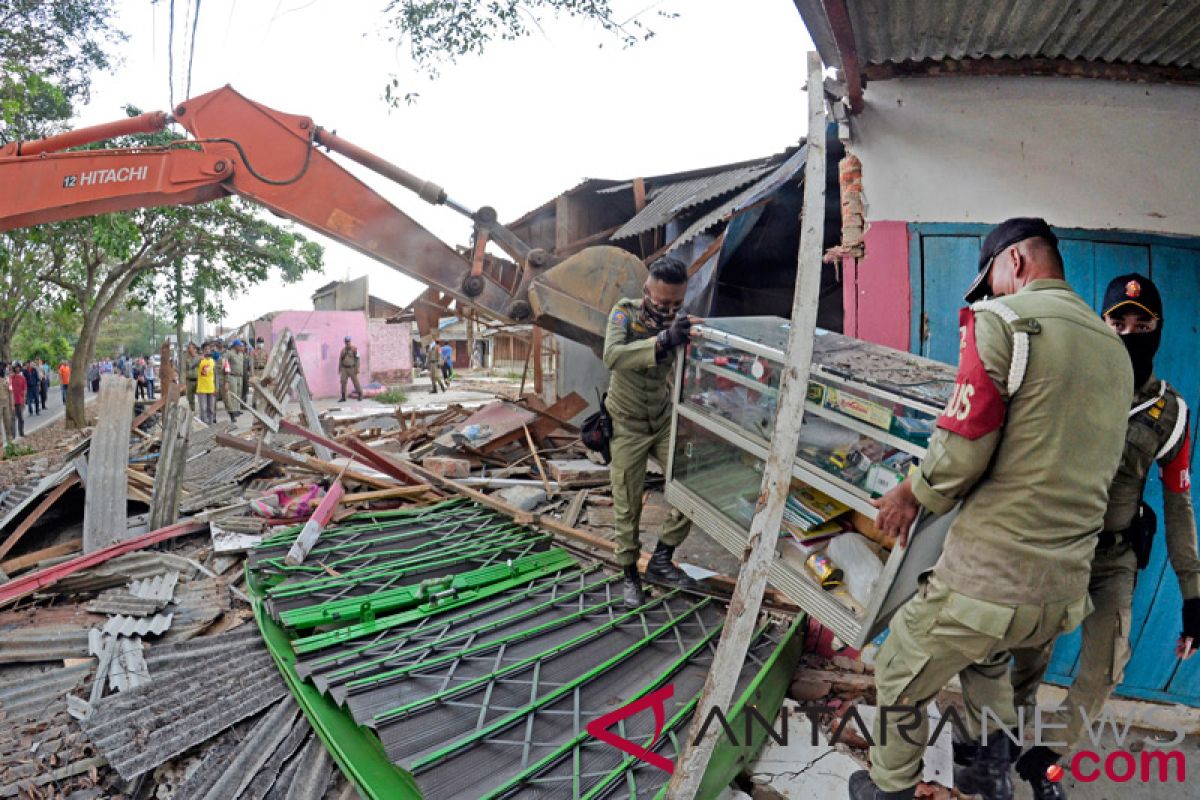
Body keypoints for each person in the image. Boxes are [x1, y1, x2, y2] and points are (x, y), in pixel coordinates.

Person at [850, 218, 1134, 800]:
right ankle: (987, 776)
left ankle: (888, 789)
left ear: (1016, 265)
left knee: (899, 669)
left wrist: (911, 494)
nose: (993, 295)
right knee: (988, 661)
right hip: (1059, 591)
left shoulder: (1003, 322)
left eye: (994, 282)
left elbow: (962, 450)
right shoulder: (1114, 349)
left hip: (988, 578)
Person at [996, 274, 1199, 800]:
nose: (1129, 332)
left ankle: (1048, 762)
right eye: (1119, 321)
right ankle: (1001, 748)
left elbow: (1179, 505)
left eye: (1142, 323)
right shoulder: (1066, 384)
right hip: (1055, 550)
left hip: (1115, 560)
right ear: (1102, 324)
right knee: (1027, 657)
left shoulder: (1171, 414)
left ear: (1157, 329)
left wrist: (1194, 596)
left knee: (1104, 669)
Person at [603, 255, 703, 608]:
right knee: (627, 504)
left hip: (660, 421)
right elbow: (612, 355)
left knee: (692, 485)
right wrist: (661, 341)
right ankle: (629, 573)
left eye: (676, 303)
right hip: (626, 424)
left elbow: (691, 366)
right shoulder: (624, 314)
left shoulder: (680, 322)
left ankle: (662, 558)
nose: (669, 310)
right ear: (646, 291)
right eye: (662, 303)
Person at [338, 335, 362, 402]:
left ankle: (360, 395)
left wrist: (357, 368)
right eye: (346, 341)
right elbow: (340, 359)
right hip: (344, 368)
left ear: (350, 341)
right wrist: (339, 368)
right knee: (343, 382)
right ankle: (343, 397)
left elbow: (358, 359)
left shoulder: (354, 349)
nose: (347, 343)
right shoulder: (343, 350)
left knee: (355, 382)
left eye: (348, 341)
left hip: (352, 368)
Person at [226, 340, 245, 419]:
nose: (241, 347)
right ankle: (233, 410)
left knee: (239, 393)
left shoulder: (241, 354)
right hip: (232, 376)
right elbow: (225, 363)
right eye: (240, 346)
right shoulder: (229, 353)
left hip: (239, 376)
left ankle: (237, 409)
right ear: (235, 346)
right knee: (234, 393)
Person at [196, 349, 216, 424]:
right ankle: (203, 424)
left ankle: (210, 424)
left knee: (211, 408)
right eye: (206, 352)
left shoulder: (212, 361)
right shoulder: (200, 360)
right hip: (202, 388)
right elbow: (192, 366)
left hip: (211, 387)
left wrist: (216, 387)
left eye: (209, 353)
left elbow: (215, 374)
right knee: (203, 408)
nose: (208, 354)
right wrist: (199, 360)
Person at [9, 362, 26, 438]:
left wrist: (24, 401)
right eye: (15, 368)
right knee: (13, 419)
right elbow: (9, 389)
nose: (17, 369)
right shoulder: (11, 378)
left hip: (20, 400)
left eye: (18, 367)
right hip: (12, 401)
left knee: (21, 418)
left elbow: (25, 389)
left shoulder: (22, 378)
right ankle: (13, 435)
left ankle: (21, 433)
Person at [184, 343, 201, 411]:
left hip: (198, 380)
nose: (188, 349)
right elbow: (183, 369)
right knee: (190, 397)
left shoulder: (199, 358)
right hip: (189, 380)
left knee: (201, 396)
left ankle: (201, 411)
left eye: (190, 348)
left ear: (194, 349)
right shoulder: (185, 357)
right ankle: (192, 410)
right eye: (188, 348)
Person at [0, 364, 13, 443]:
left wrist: (11, 404)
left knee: (8, 422)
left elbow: (10, 391)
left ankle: (9, 440)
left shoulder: (6, 380)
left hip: (6, 404)